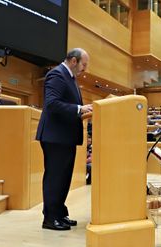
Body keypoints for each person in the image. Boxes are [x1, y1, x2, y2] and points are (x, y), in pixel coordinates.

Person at [36, 48, 93, 231]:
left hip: (64, 137)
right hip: (55, 137)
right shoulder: (57, 75)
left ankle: (60, 213)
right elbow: (52, 104)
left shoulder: (70, 78)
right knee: (55, 178)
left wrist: (81, 109)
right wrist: (80, 109)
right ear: (74, 61)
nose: (85, 69)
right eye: (84, 64)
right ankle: (50, 218)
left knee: (63, 178)